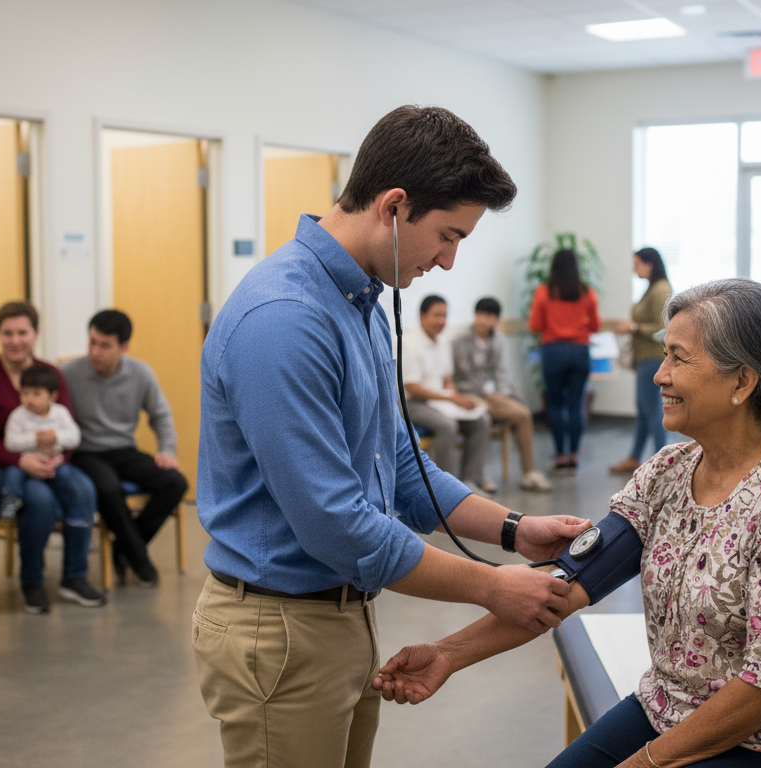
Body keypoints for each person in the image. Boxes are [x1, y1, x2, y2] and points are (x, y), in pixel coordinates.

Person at [194, 104, 591, 768]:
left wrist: (514, 529)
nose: (450, 260)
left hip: (341, 614)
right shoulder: (286, 319)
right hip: (281, 624)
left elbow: (402, 467)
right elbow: (335, 523)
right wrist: (492, 588)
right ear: (394, 206)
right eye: (447, 235)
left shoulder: (363, 304)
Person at [375, 278, 761, 768]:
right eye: (664, 355)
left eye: (679, 357)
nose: (660, 375)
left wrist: (644, 763)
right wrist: (448, 653)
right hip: (669, 707)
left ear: (742, 381)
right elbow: (565, 586)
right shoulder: (666, 474)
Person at [0, 301, 104, 614]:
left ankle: (74, 577)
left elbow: (66, 423)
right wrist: (19, 462)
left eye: (22, 333)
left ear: (35, 334)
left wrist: (58, 460)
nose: (15, 340)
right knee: (38, 499)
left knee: (85, 489)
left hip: (47, 461)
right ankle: (32, 582)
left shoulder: (50, 374)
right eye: (8, 333)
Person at [62, 309, 188, 588]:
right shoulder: (68, 374)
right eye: (92, 342)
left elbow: (161, 415)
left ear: (124, 347)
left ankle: (124, 549)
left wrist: (167, 450)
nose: (95, 351)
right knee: (108, 489)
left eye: (105, 346)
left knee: (175, 483)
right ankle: (140, 559)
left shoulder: (140, 373)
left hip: (123, 449)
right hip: (86, 451)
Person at [449, 296, 553, 492]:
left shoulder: (498, 340)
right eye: (480, 314)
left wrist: (500, 392)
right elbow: (455, 377)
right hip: (468, 393)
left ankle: (530, 473)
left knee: (523, 414)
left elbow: (502, 371)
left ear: (496, 319)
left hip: (492, 395)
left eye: (489, 316)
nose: (483, 320)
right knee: (483, 416)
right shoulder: (459, 341)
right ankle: (479, 476)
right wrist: (483, 393)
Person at [400, 294, 494, 493]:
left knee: (481, 420)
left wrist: (457, 398)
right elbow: (412, 387)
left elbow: (447, 379)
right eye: (436, 315)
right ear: (422, 315)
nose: (441, 321)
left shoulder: (442, 342)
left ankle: (471, 480)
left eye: (444, 315)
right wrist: (450, 397)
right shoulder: (409, 343)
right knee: (447, 426)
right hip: (413, 403)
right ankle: (446, 488)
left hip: (439, 401)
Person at [528, 248, 600, 471]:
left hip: (554, 352)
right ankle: (574, 455)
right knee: (577, 403)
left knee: (556, 405)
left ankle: (560, 456)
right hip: (580, 352)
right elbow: (596, 326)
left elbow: (534, 326)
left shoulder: (543, 292)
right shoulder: (587, 292)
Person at [610, 247, 673, 475]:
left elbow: (664, 330)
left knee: (653, 410)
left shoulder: (661, 290)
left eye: (637, 263)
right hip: (645, 358)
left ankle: (663, 461)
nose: (633, 268)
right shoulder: (653, 288)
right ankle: (635, 456)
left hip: (654, 358)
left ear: (649, 264)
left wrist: (635, 327)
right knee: (645, 409)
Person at [1, 366, 87, 529]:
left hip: (53, 462)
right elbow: (10, 442)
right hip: (28, 463)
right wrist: (34, 440)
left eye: (36, 394)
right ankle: (11, 503)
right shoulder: (18, 415)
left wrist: (56, 437)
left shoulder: (60, 413)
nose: (29, 400)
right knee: (13, 474)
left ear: (53, 396)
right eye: (25, 393)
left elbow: (75, 437)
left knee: (67, 477)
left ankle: (73, 512)